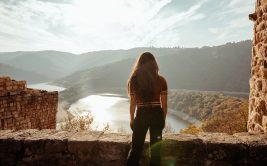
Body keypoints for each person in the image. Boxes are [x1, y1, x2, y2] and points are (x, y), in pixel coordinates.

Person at [126, 52, 168, 166]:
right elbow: (164, 105)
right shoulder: (161, 81)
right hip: (156, 114)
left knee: (135, 150)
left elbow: (133, 104)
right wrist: (162, 119)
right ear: (154, 64)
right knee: (155, 153)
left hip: (142, 114)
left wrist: (132, 119)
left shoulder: (133, 81)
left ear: (139, 64)